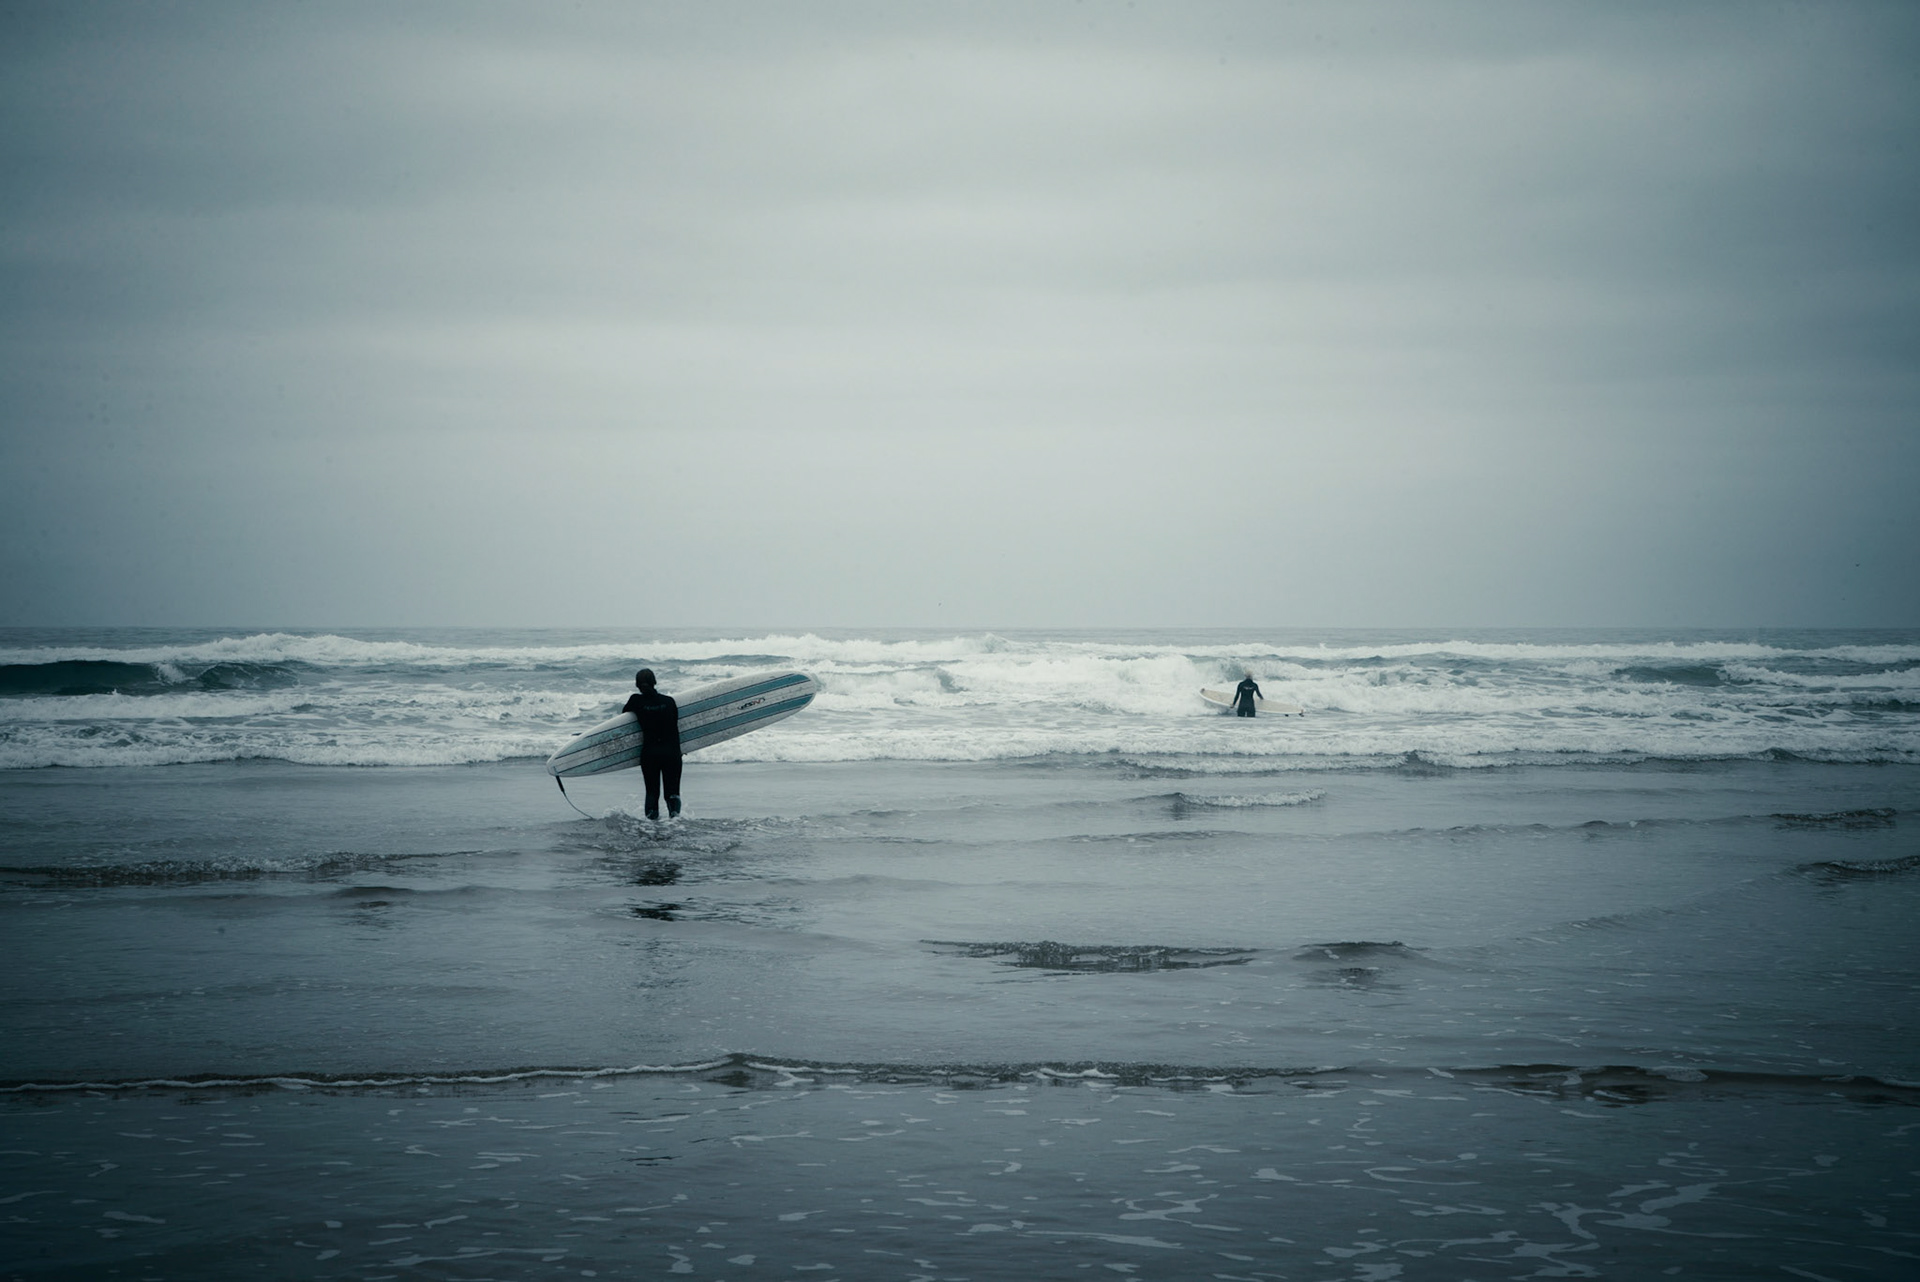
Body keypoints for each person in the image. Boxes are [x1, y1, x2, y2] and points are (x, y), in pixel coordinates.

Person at [623, 669, 682, 819]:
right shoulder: (669, 701)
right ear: (654, 682)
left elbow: (623, 719)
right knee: (673, 792)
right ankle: (675, 823)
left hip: (650, 753)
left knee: (652, 792)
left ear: (637, 685)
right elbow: (675, 726)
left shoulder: (636, 701)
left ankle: (651, 826)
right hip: (672, 753)